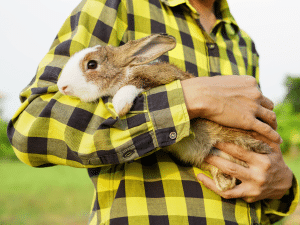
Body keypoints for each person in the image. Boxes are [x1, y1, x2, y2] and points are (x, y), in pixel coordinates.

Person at [7, 0, 298, 224]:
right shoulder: (117, 5)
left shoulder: (242, 42)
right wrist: (191, 97)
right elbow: (31, 127)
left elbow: (259, 144)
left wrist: (283, 187)